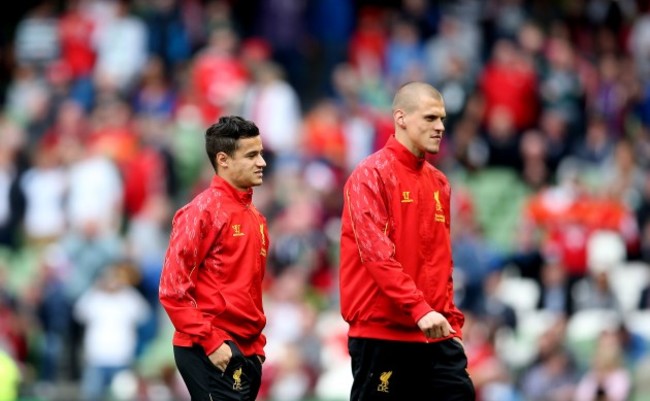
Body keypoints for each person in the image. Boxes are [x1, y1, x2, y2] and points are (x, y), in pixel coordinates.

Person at [339, 82, 475, 400]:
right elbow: (376, 255)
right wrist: (419, 308)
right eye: (430, 118)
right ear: (401, 118)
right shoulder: (369, 175)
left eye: (442, 119)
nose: (440, 127)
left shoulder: (439, 182)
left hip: (435, 334)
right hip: (382, 335)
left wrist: (452, 322)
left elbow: (442, 262)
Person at [159, 116, 269, 400]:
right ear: (223, 159)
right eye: (252, 155)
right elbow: (172, 290)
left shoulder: (256, 218)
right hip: (210, 347)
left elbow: (248, 291)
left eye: (261, 153)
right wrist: (211, 341)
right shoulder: (201, 212)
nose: (262, 163)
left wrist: (256, 349)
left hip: (246, 351)